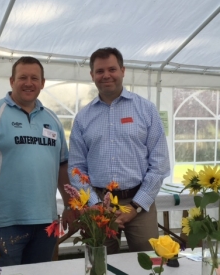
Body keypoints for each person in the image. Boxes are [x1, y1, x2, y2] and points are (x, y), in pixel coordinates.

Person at [0, 56, 75, 266]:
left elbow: (62, 166)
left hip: (45, 222)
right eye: (22, 77)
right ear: (11, 81)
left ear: (43, 83)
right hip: (2, 223)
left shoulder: (52, 120)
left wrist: (70, 206)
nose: (28, 83)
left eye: (35, 78)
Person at [68, 47, 170, 253]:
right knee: (99, 263)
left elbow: (159, 164)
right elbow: (76, 168)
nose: (106, 75)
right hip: (97, 203)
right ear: (92, 75)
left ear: (123, 70)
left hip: (139, 203)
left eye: (112, 69)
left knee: (147, 262)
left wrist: (135, 206)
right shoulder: (83, 118)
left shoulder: (146, 110)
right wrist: (96, 205)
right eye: (99, 71)